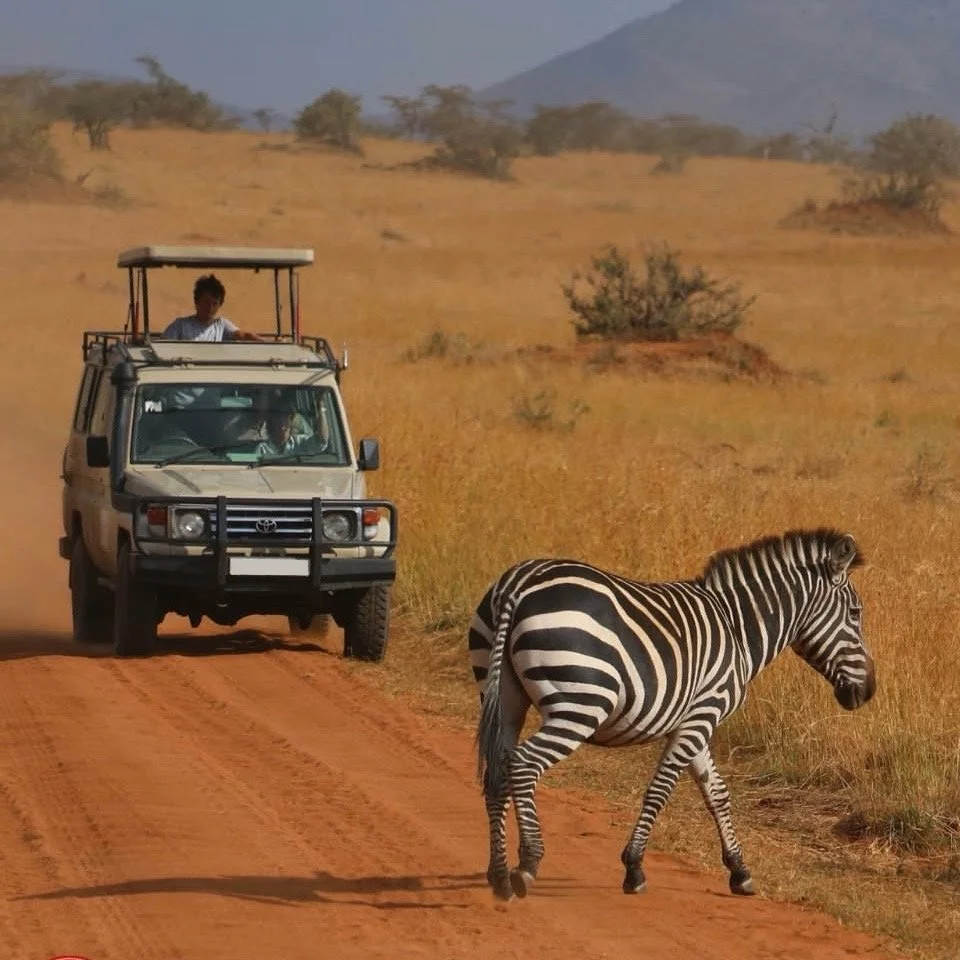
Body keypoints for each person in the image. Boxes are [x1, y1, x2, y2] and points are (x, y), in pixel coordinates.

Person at [162, 274, 264, 342]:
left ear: (220, 305)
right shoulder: (180, 325)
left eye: (214, 303)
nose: (210, 308)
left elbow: (244, 336)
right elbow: (163, 346)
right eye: (206, 302)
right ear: (197, 302)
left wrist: (269, 344)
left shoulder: (222, 325)